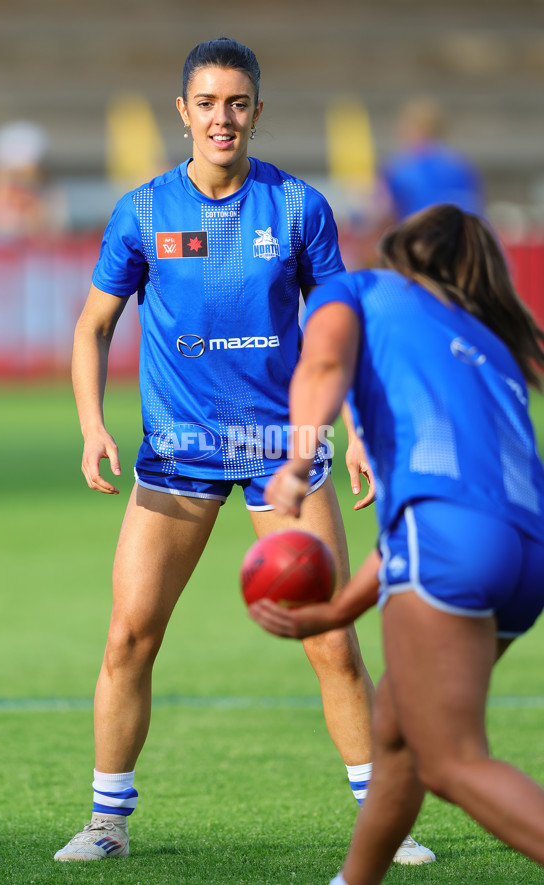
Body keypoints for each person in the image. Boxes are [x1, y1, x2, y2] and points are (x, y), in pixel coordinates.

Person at [54, 37, 434, 865]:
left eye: (237, 103)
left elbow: (340, 330)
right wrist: (92, 422)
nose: (222, 118)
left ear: (256, 113)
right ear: (182, 111)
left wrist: (363, 430)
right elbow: (92, 326)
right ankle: (107, 821)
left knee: (331, 637)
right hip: (176, 453)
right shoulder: (144, 212)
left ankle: (384, 822)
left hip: (281, 450)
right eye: (207, 102)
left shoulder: (298, 208)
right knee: (128, 637)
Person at [249, 203, 544, 883]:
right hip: (521, 552)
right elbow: (442, 513)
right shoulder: (487, 342)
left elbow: (321, 366)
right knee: (397, 736)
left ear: (398, 249)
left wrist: (298, 457)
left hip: (449, 536)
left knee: (451, 760)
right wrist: (335, 612)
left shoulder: (355, 291)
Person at [378, 96, 485, 222]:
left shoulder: (399, 166)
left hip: (419, 235)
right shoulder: (461, 164)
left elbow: (382, 213)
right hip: (460, 236)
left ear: (416, 127)